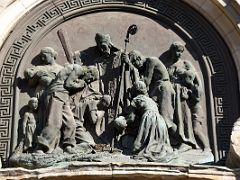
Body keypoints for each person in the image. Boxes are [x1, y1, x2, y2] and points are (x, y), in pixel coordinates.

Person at [166, 41, 210, 152]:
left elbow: (196, 81)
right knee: (173, 118)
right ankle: (176, 142)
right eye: (177, 51)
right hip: (172, 95)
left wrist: (193, 91)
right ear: (172, 51)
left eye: (181, 52)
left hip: (183, 96)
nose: (179, 54)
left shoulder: (186, 63)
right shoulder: (168, 65)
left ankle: (187, 141)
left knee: (184, 117)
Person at [36, 64, 87, 154]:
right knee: (54, 123)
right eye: (90, 78)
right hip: (57, 94)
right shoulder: (78, 69)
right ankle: (40, 147)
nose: (89, 80)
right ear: (88, 73)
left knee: (71, 123)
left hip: (63, 95)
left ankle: (68, 146)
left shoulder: (70, 69)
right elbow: (68, 84)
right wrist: (80, 84)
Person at [125, 50, 177, 133]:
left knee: (166, 119)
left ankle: (180, 139)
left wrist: (134, 70)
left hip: (163, 88)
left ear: (138, 59)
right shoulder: (145, 65)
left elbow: (146, 81)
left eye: (136, 64)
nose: (137, 67)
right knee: (155, 115)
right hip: (157, 90)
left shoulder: (151, 61)